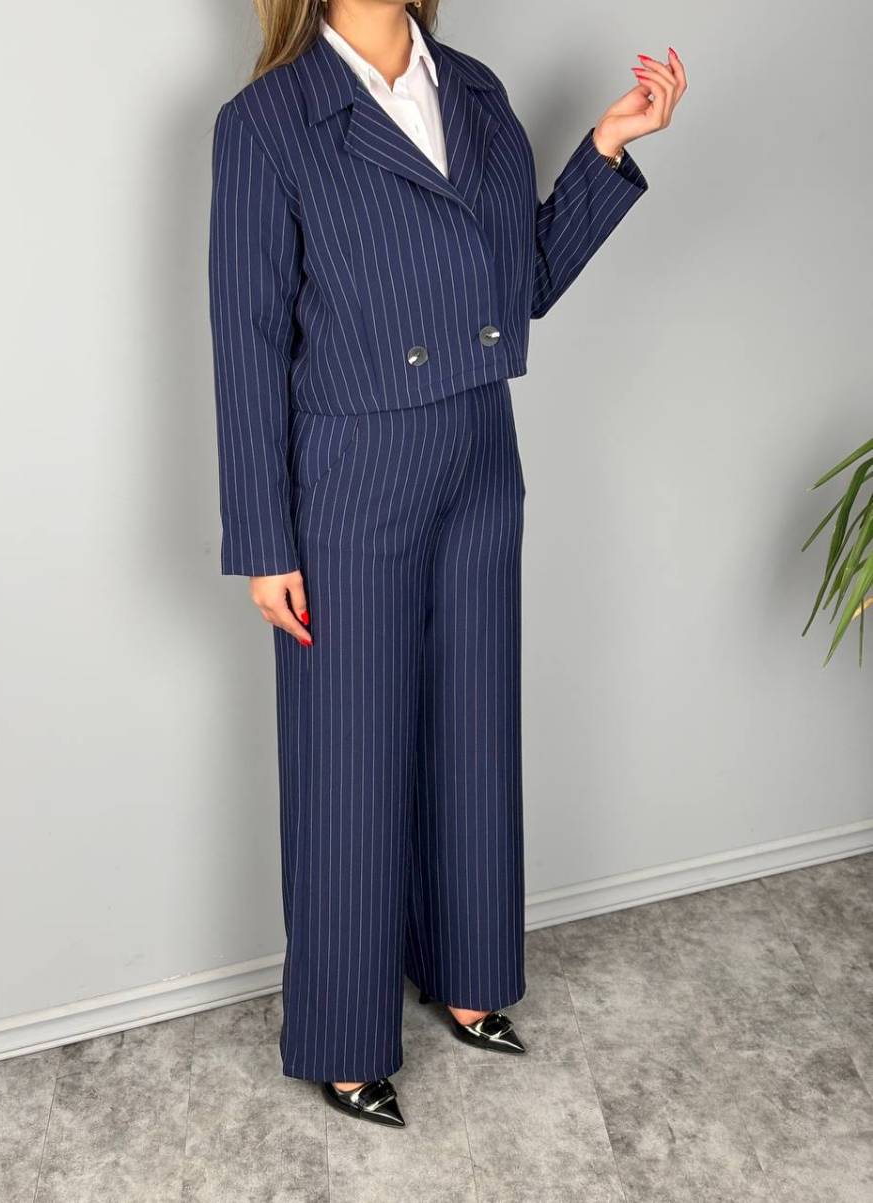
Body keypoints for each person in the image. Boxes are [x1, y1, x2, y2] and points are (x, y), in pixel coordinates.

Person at [208, 0, 686, 1128]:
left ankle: (469, 978)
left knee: (474, 728)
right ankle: (343, 1035)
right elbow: (246, 336)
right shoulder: (267, 119)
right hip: (351, 470)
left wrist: (606, 147)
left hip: (479, 449)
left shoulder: (472, 89)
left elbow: (519, 284)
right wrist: (263, 538)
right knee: (349, 756)